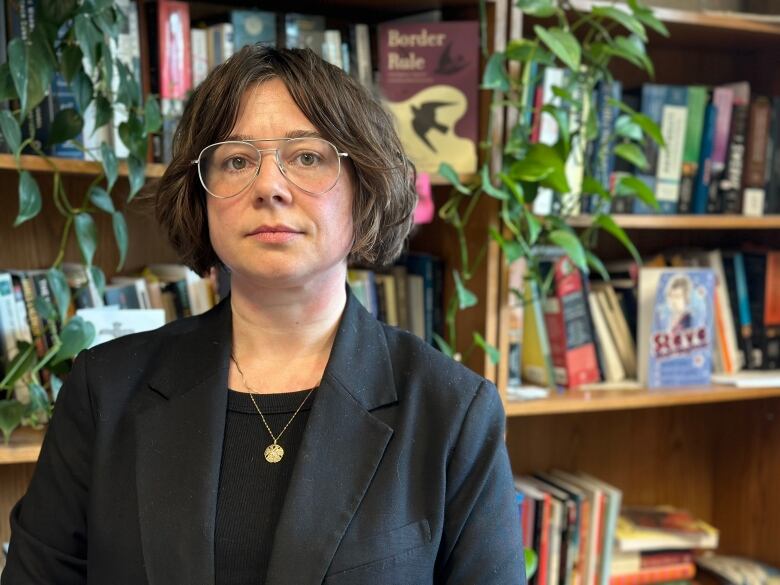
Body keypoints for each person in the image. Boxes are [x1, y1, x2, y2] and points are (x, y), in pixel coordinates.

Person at [3, 46, 525, 585]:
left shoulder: (450, 412)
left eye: (306, 157)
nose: (269, 187)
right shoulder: (104, 391)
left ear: (362, 187)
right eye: (236, 160)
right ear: (200, 195)